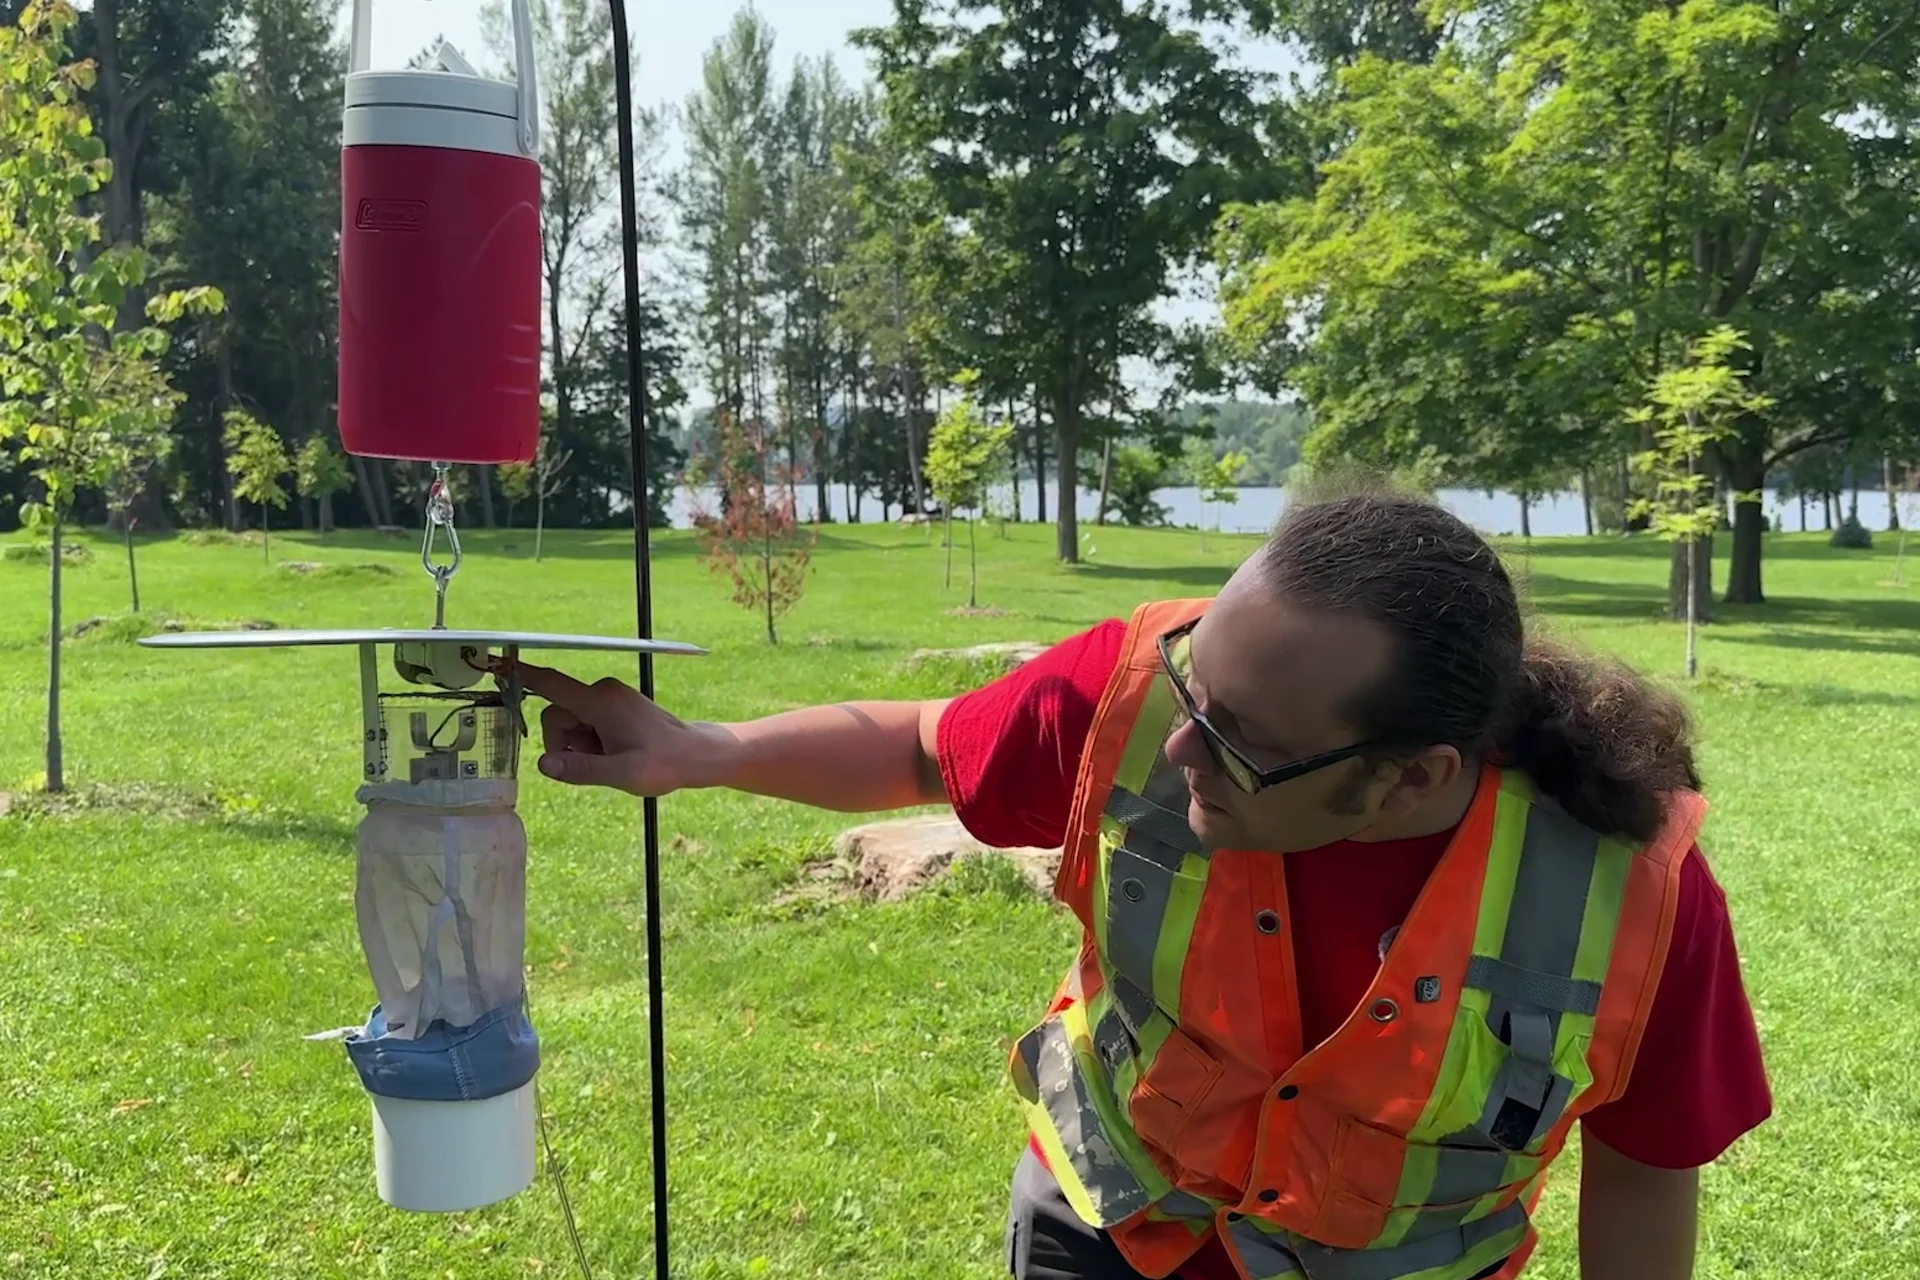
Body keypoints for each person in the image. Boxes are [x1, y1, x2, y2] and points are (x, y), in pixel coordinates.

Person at [512, 486, 1771, 1280]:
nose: (1175, 748)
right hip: (1104, 1227)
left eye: (1236, 738)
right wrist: (697, 753)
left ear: (1408, 776)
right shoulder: (1136, 689)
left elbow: (1651, 1161)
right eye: (1191, 693)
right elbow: (915, 742)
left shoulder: (1633, 895)